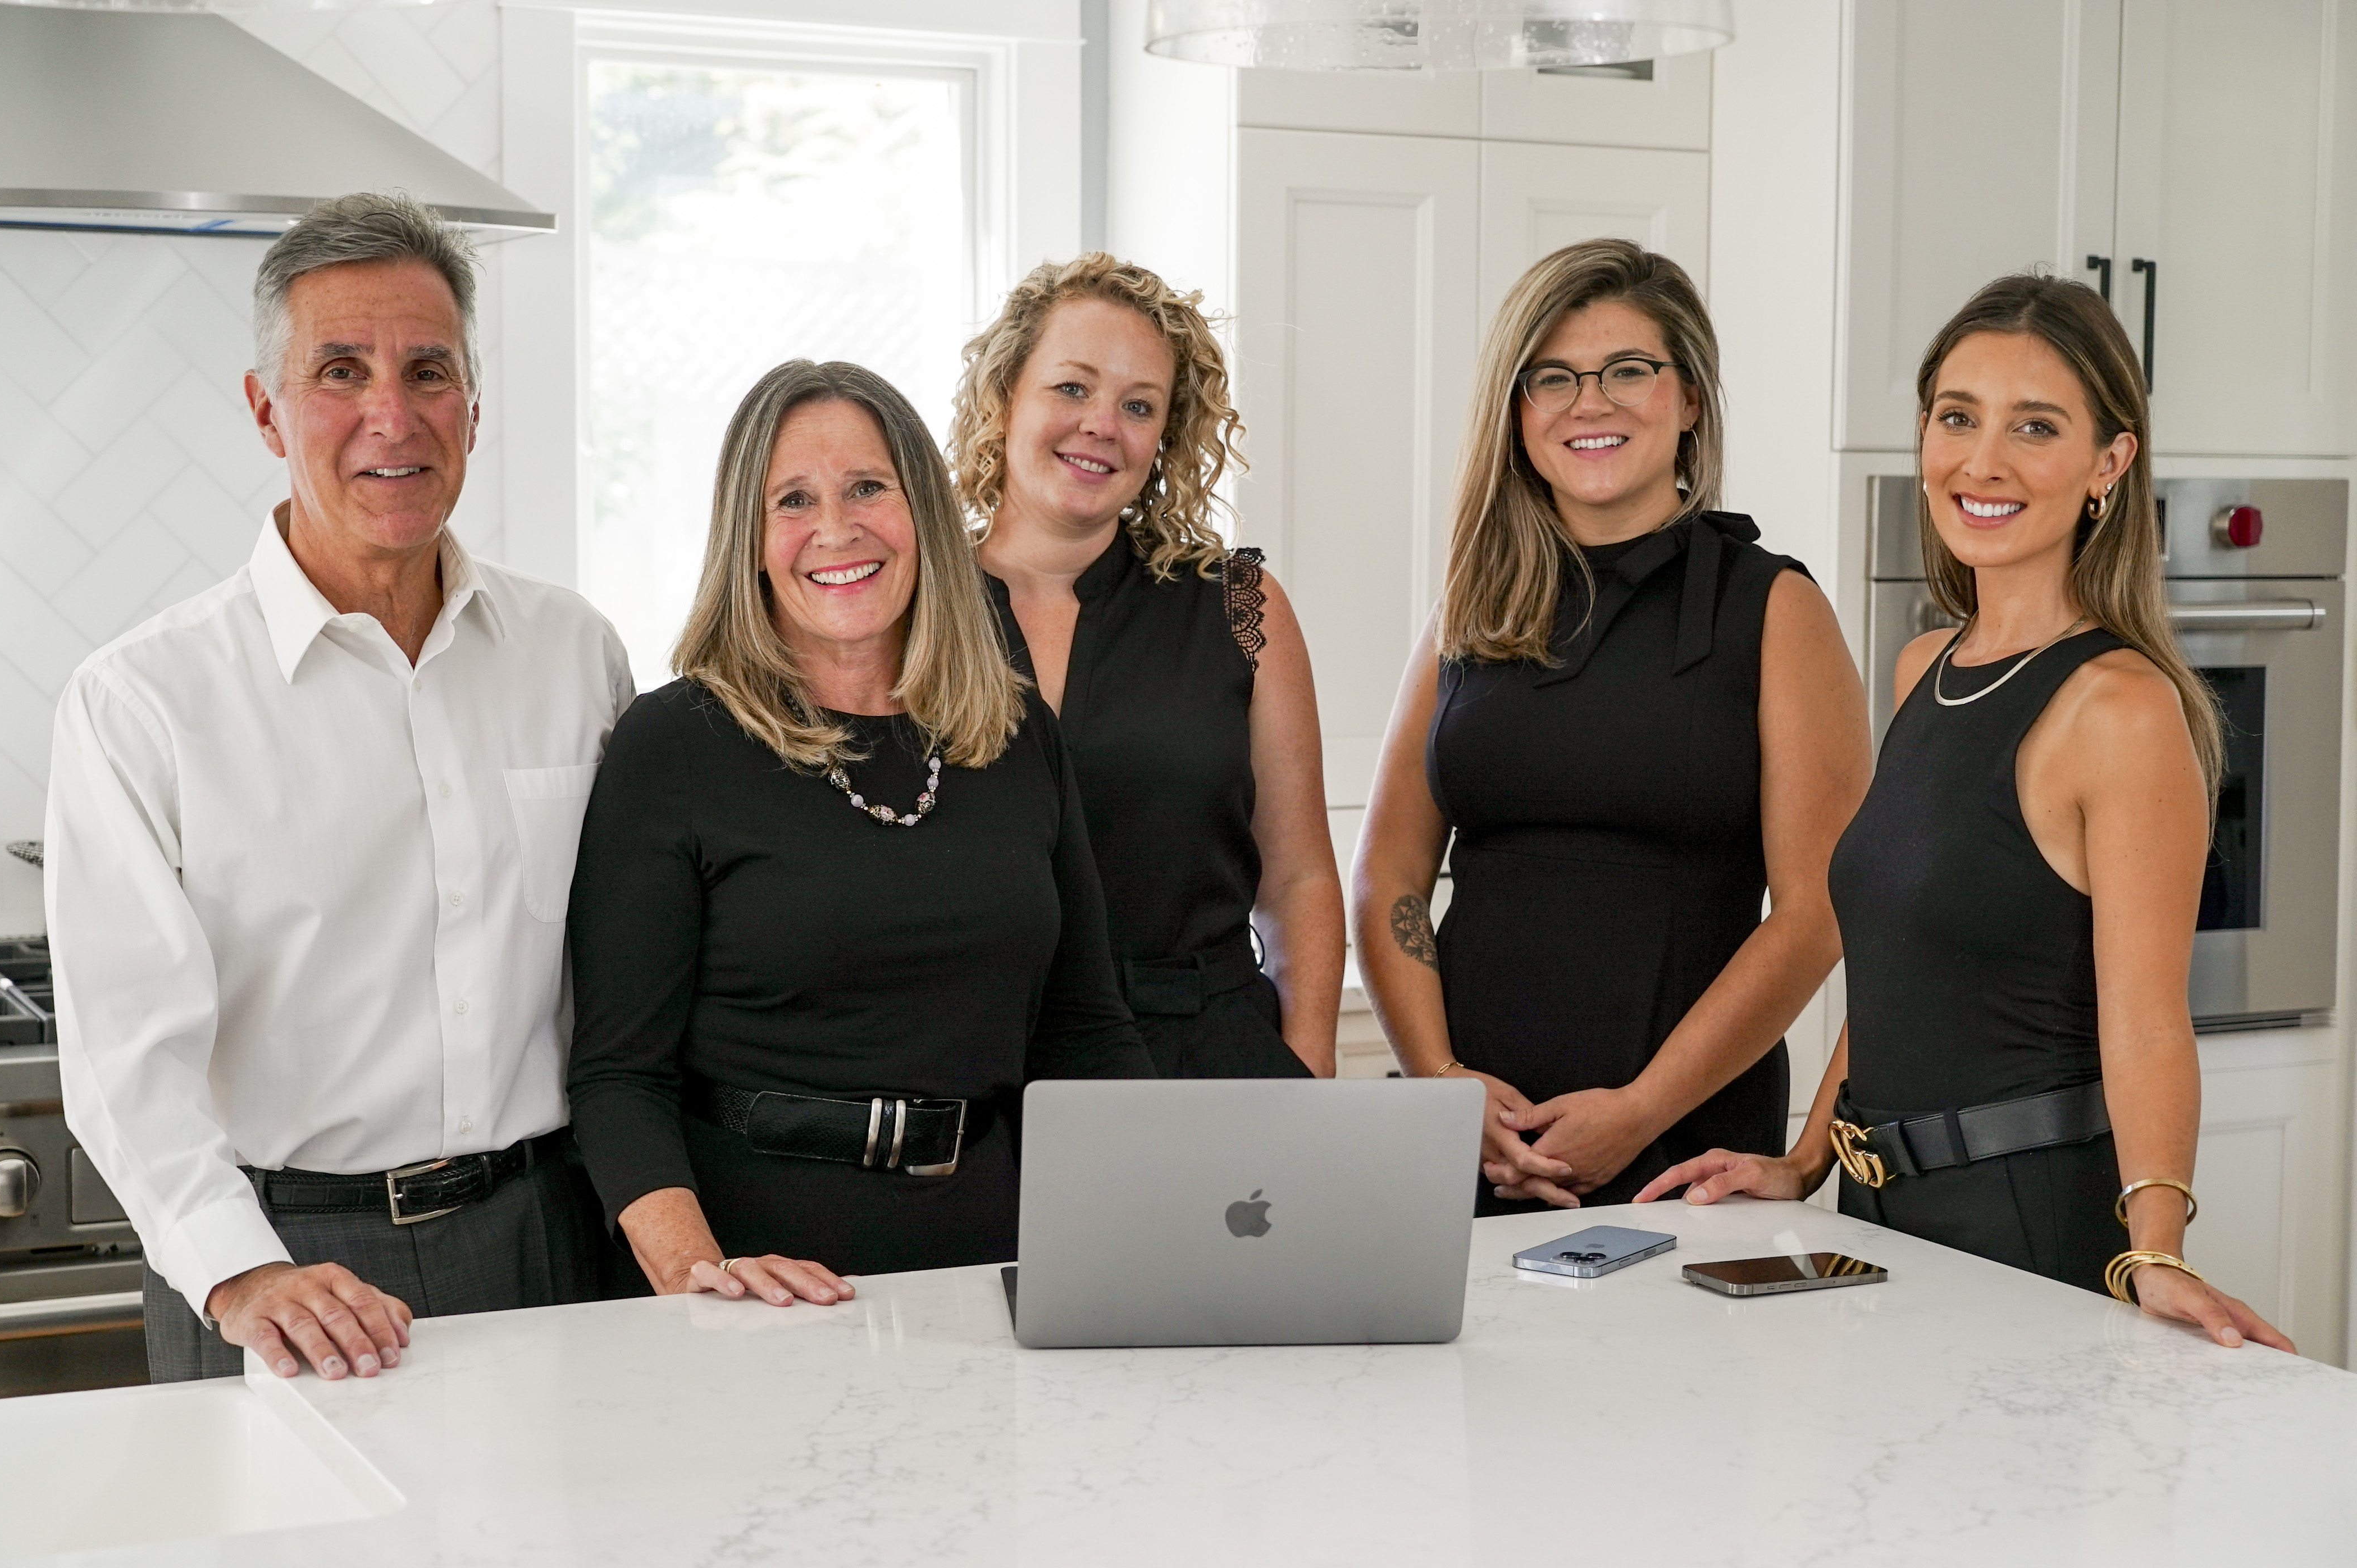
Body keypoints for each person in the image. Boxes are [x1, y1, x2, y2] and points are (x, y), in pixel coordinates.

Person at [1637, 275, 2295, 1352]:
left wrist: (2157, 1251)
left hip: (2031, 1223)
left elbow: (2146, 1021)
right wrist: (1804, 1164)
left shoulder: (2120, 709)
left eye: (2035, 427)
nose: (1981, 461)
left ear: (2108, 464)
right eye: (1957, 417)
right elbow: (1901, 970)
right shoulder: (1922, 669)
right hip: (1885, 1220)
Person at [47, 192, 634, 1383]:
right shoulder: (141, 699)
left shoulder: (575, 654)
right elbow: (123, 1057)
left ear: (474, 403)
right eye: (341, 371)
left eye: (428, 370)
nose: (392, 415)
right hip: (283, 1270)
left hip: (546, 1243)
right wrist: (238, 1268)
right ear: (267, 411)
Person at [566, 359, 1152, 1307]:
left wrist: (1156, 1226)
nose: (836, 530)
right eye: (793, 499)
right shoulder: (675, 743)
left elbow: (1085, 1033)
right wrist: (698, 1274)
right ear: (749, 541)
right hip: (762, 1286)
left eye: (869, 488)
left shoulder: (1016, 732)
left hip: (996, 1271)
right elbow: (617, 1077)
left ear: (920, 508)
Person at [1351, 239, 1872, 1213]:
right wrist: (1440, 1083)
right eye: (1553, 379)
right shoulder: (1469, 611)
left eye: (1629, 371)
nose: (1590, 403)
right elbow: (1389, 876)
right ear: (1518, 416)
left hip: (1681, 1153)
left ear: (1690, 402)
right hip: (1469, 1144)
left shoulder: (1775, 610)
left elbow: (1818, 913)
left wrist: (1638, 1110)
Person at [953, 254, 1343, 1079]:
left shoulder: (1243, 600)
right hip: (978, 1070)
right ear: (1005, 396)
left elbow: (1301, 875)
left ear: (1166, 436)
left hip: (1206, 1059)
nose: (1102, 424)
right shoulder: (917, 610)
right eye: (1072, 388)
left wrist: (1307, 1075)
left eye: (1139, 405)